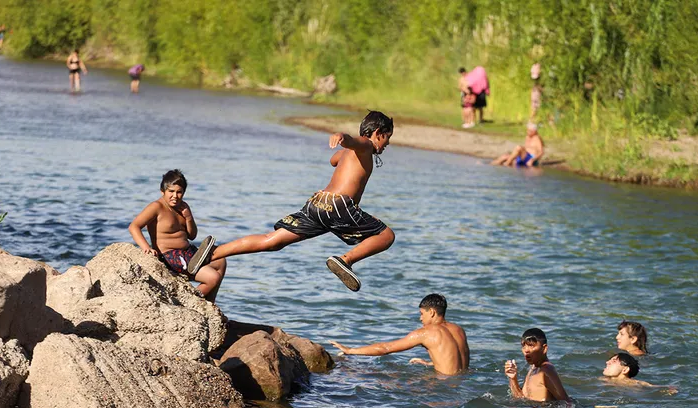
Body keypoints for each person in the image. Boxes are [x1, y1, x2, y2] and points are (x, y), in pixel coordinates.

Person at [198, 111, 396, 292]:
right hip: (338, 206)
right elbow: (353, 141)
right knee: (386, 236)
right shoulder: (366, 144)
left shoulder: (351, 153)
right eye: (387, 138)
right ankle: (345, 260)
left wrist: (345, 149)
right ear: (378, 132)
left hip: (318, 204)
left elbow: (334, 160)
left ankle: (212, 254)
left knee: (273, 240)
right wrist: (342, 137)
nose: (386, 144)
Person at [129, 170, 226, 302]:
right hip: (171, 256)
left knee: (220, 262)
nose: (175, 196)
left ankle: (209, 304)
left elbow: (192, 235)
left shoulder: (183, 207)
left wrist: (188, 217)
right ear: (162, 191)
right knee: (212, 278)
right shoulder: (156, 207)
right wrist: (146, 247)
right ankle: (188, 304)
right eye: (171, 191)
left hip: (188, 252)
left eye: (179, 192)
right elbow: (134, 226)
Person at [329, 294, 469, 375]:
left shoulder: (426, 333)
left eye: (422, 314)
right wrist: (431, 363)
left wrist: (350, 350)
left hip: (443, 387)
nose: (420, 318)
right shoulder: (458, 330)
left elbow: (385, 348)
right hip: (463, 382)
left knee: (383, 378)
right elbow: (456, 362)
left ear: (431, 312)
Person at [504, 328, 570, 402]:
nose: (526, 350)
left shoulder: (547, 370)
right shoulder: (533, 368)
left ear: (544, 349)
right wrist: (513, 378)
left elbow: (566, 403)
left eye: (531, 346)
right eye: (524, 346)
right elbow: (521, 398)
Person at [602, 352, 676, 393]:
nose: (607, 362)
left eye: (614, 361)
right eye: (609, 360)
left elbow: (653, 387)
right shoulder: (603, 380)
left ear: (625, 370)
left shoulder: (635, 383)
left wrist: (669, 389)